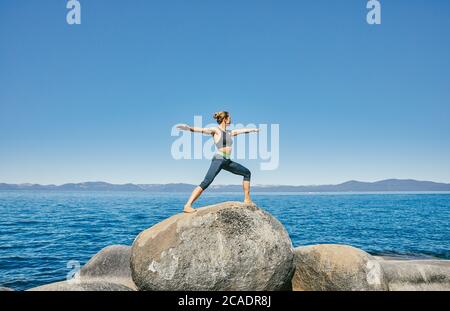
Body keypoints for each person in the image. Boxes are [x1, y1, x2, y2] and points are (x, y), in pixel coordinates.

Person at [177, 111, 260, 213]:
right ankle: (187, 205)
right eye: (229, 117)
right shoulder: (216, 130)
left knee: (247, 173)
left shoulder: (230, 132)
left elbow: (242, 131)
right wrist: (187, 128)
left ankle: (247, 199)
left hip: (227, 161)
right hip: (219, 159)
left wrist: (254, 130)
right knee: (206, 182)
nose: (231, 119)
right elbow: (201, 130)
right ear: (224, 118)